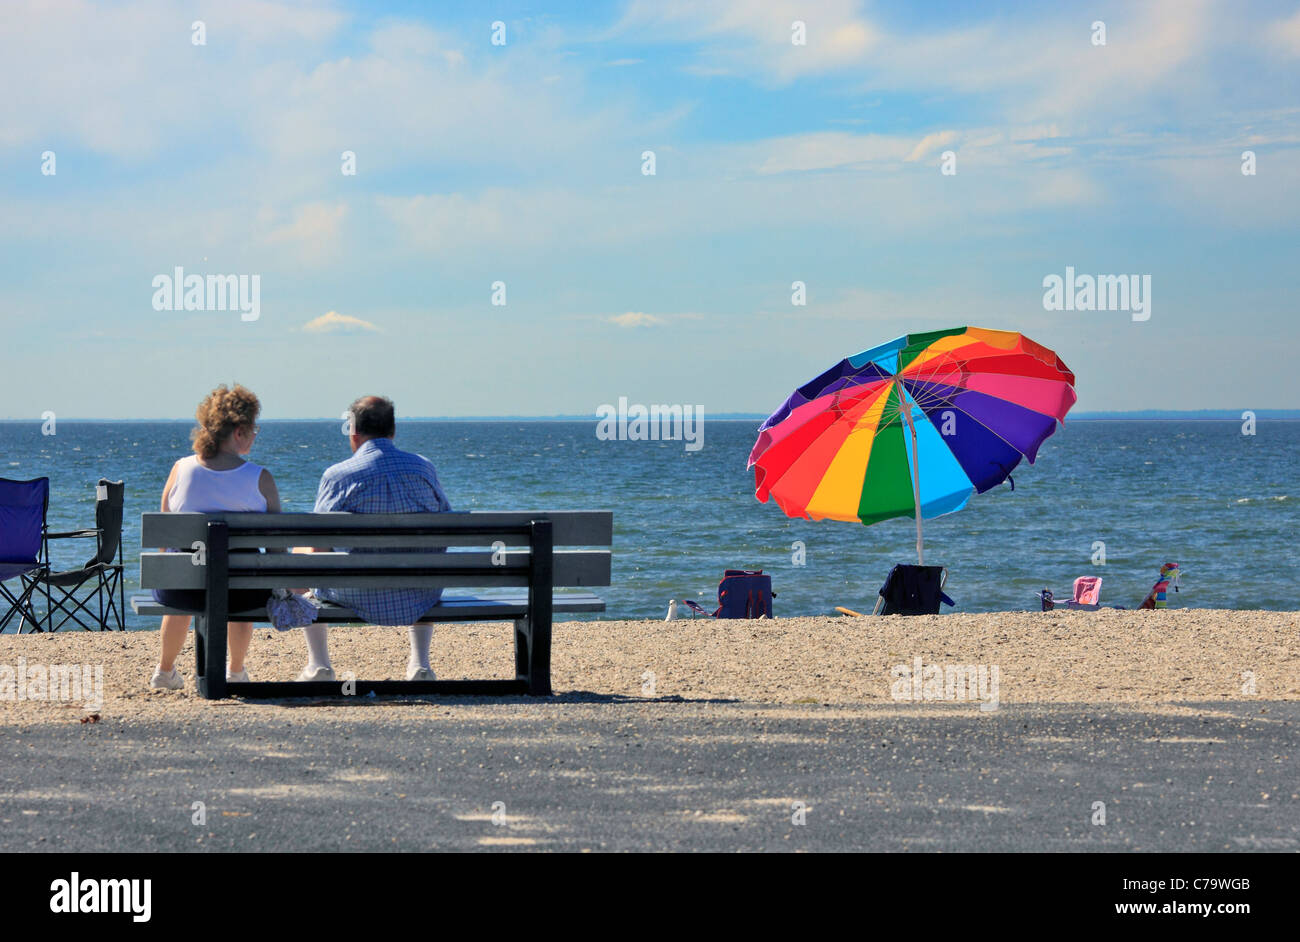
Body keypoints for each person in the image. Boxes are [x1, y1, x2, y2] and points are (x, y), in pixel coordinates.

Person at [297, 395, 451, 682]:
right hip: (419, 592)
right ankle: (420, 665)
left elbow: (318, 544)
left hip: (353, 594)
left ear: (352, 432)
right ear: (392, 431)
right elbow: (445, 528)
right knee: (424, 561)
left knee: (299, 553)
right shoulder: (423, 469)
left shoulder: (338, 476)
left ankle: (319, 665)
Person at [150, 384, 281, 689]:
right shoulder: (260, 478)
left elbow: (165, 535)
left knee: (183, 570)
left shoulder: (180, 469)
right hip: (243, 591)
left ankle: (164, 671)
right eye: (254, 429)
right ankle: (235, 670)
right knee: (241, 575)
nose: (254, 435)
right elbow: (277, 547)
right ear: (238, 431)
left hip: (180, 590)